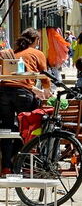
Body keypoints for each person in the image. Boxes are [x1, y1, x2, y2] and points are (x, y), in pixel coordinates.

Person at [0, 28, 51, 172]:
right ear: (36, 40)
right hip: (23, 94)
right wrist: (47, 91)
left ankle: (6, 166)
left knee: (7, 129)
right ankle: (24, 163)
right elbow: (44, 75)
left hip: (3, 91)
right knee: (30, 127)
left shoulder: (13, 53)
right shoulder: (37, 53)